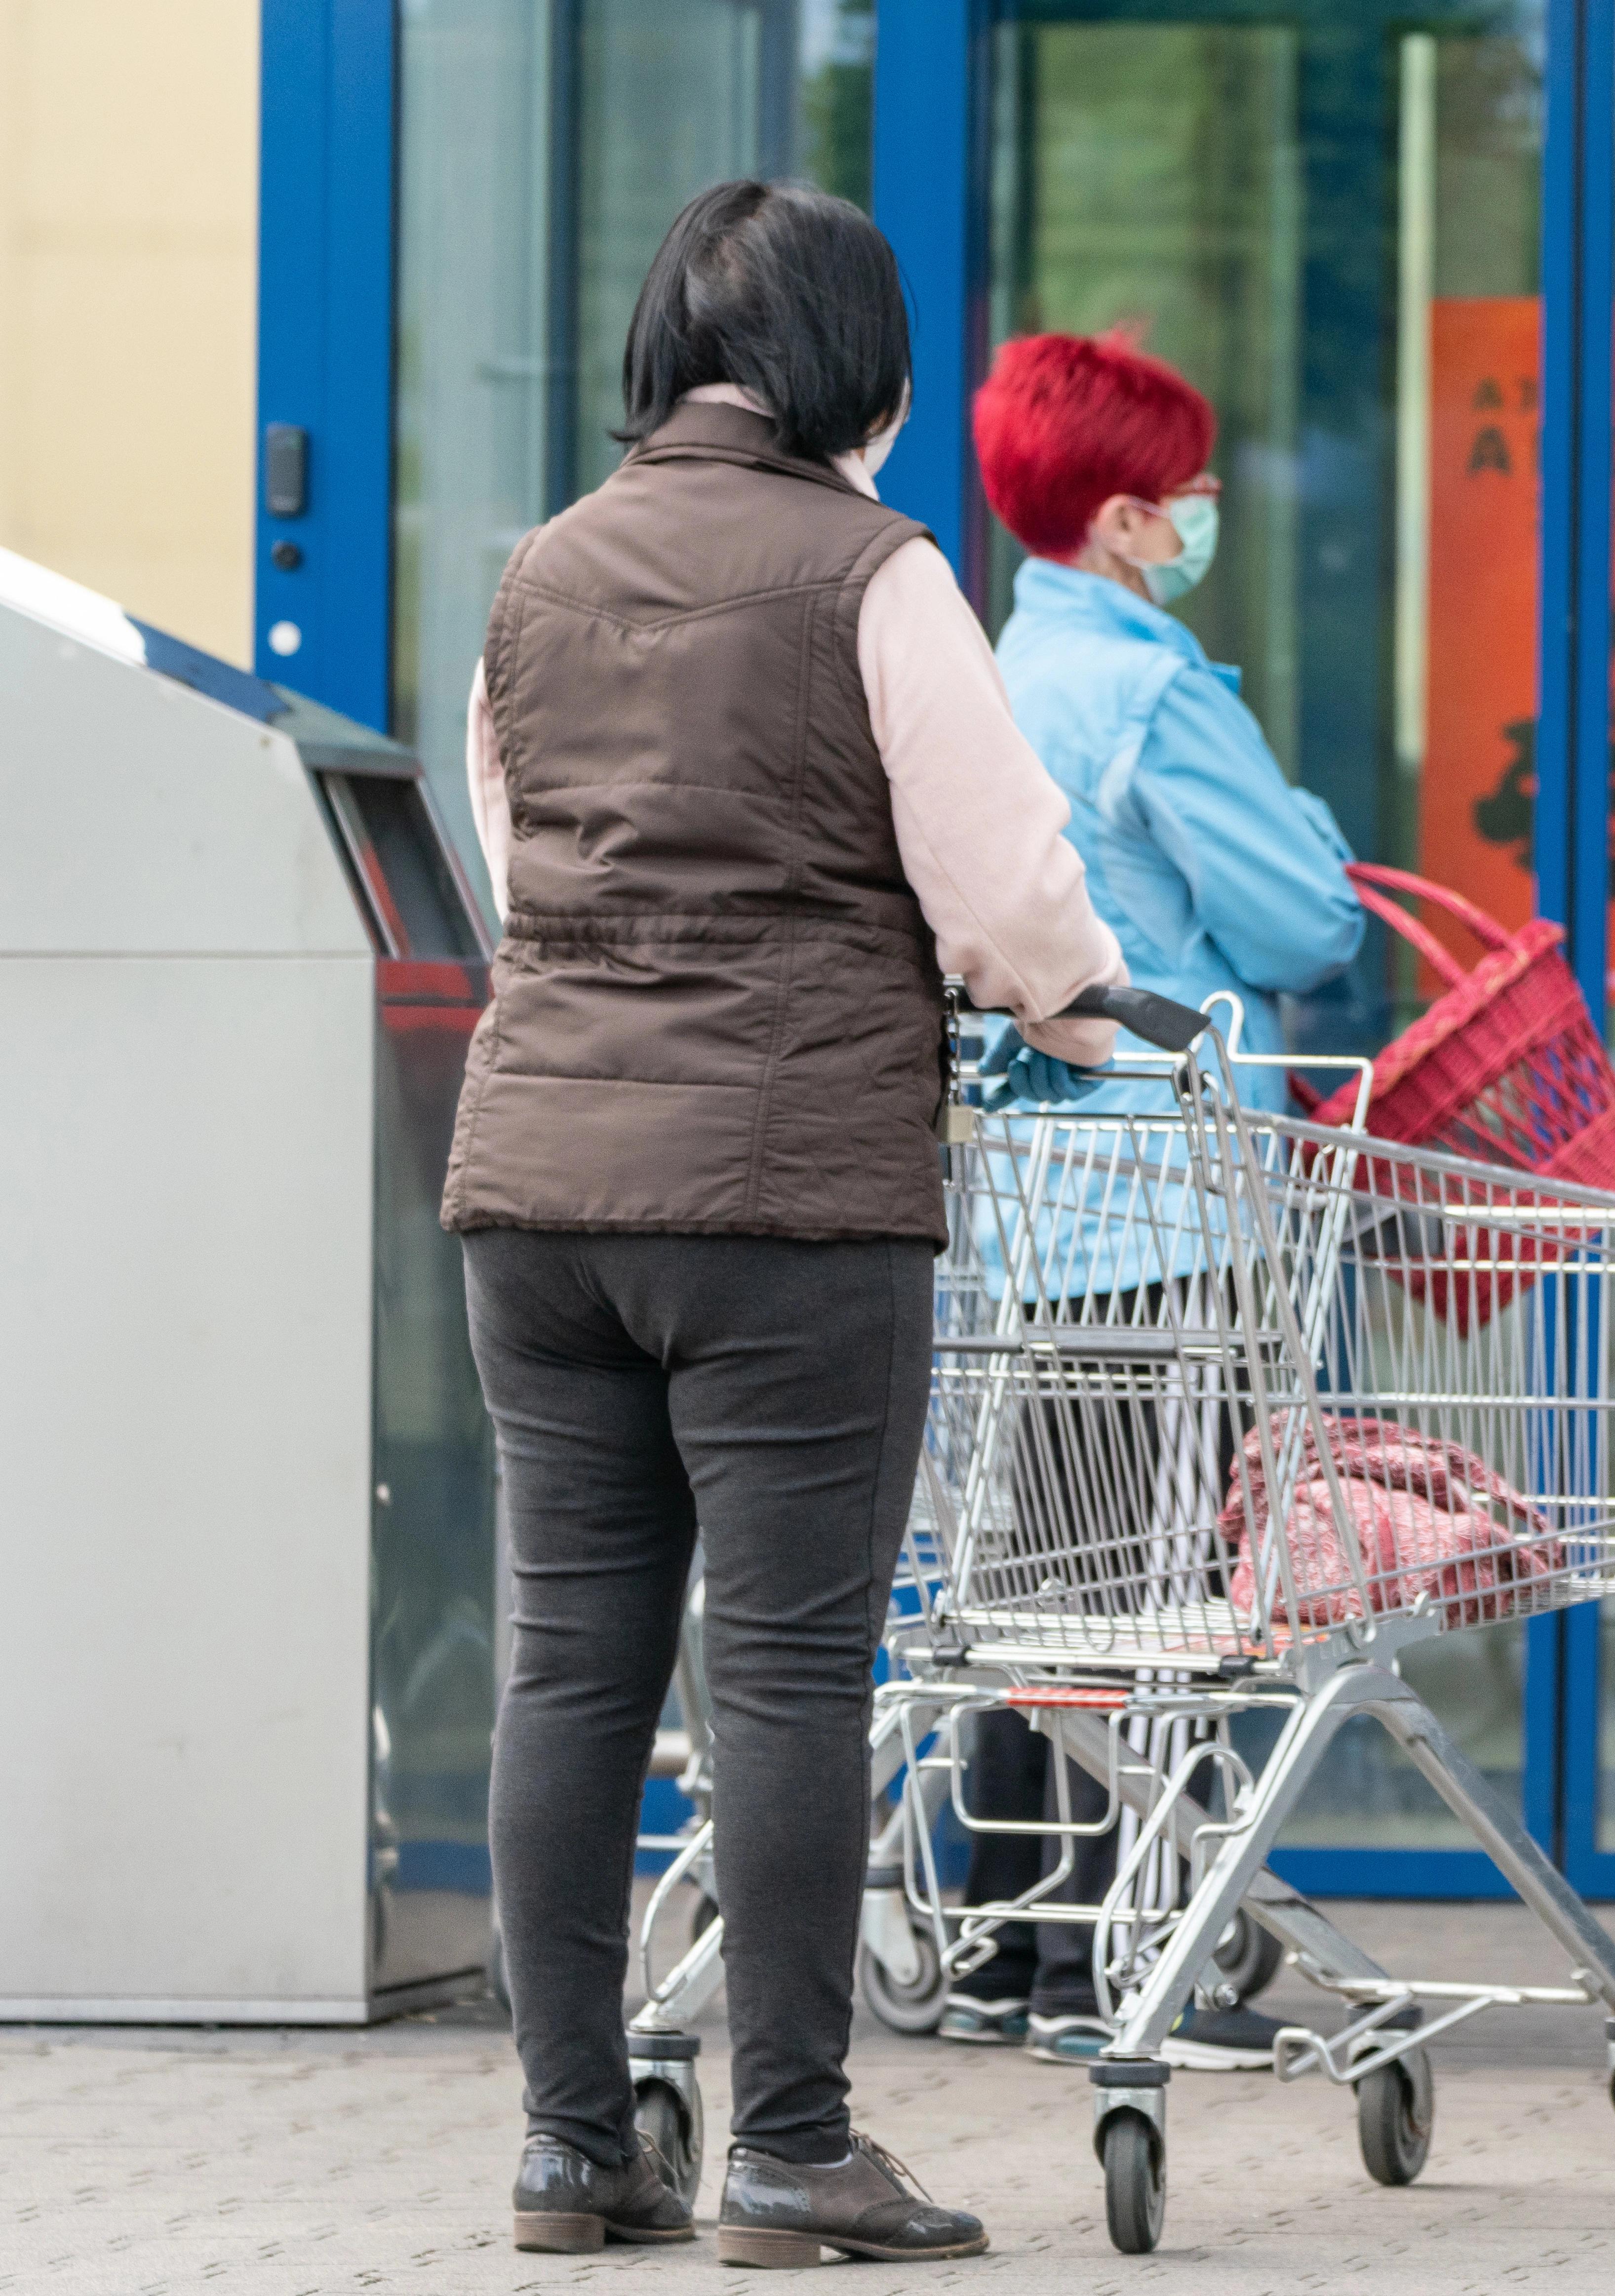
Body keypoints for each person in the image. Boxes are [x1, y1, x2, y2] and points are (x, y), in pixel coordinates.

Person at [452, 181, 1131, 2264]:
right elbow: (1006, 884)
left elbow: (516, 851)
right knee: (787, 1672)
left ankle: (578, 2145)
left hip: (542, 1185)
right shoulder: (877, 570)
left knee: (570, 1662)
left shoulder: (540, 573)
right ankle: (794, 2147)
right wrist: (1075, 1003)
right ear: (864, 365)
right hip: (787, 1201)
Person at [936, 330, 1366, 2064]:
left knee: (1037, 1572)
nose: (1199, 517)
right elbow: (1300, 922)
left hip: (1030, 1185)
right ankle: (1129, 1968)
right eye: (1182, 496)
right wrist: (1314, 829)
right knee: (1164, 1590)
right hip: (1169, 1194)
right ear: (1121, 521)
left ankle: (1001, 1947)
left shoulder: (991, 670)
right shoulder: (1153, 692)